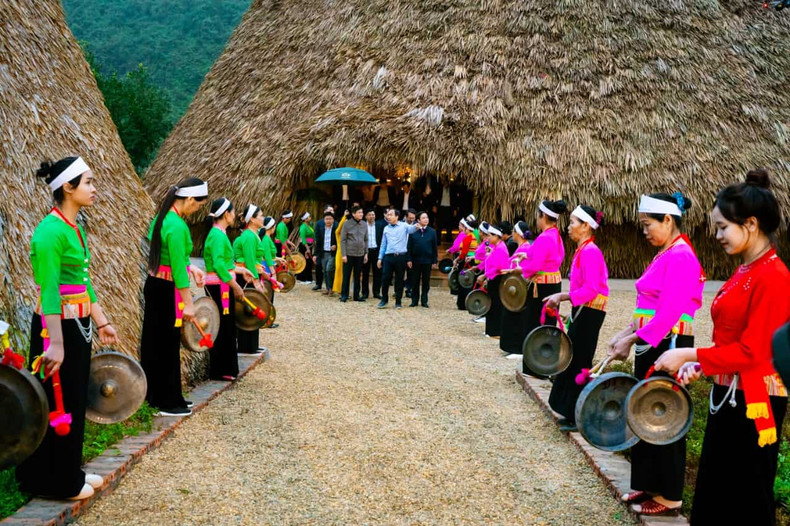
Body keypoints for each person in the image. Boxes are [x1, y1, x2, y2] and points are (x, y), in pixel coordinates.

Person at [653, 171, 790, 524]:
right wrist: (703, 366)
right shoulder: (745, 270)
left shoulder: (773, 277)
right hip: (729, 395)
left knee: (746, 494)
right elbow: (730, 342)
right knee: (717, 489)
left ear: (751, 223)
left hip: (757, 400)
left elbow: (754, 351)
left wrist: (690, 353)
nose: (716, 236)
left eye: (722, 227)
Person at [16, 156, 118, 500]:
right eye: (88, 182)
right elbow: (48, 291)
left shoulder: (73, 227)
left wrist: (101, 320)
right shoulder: (50, 231)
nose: (94, 188)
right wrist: (56, 344)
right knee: (54, 401)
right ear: (67, 187)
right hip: (54, 329)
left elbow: (83, 284)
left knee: (72, 399)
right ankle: (50, 480)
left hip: (78, 325)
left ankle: (66, 471)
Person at [608, 191, 703, 516]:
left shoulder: (681, 256)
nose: (644, 231)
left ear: (668, 220)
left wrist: (633, 339)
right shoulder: (665, 253)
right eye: (642, 225)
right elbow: (647, 306)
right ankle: (648, 484)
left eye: (649, 224)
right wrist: (626, 332)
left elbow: (669, 312)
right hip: (654, 340)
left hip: (669, 342)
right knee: (646, 410)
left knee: (666, 413)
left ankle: (670, 496)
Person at [140, 177, 208, 417]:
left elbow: (172, 258)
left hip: (155, 284)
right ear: (189, 199)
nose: (197, 209)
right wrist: (188, 303)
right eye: (197, 204)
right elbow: (178, 268)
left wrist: (193, 268)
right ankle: (166, 402)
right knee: (166, 344)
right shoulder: (178, 226)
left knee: (155, 342)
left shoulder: (162, 219)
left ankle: (162, 396)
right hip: (168, 290)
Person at [544, 205, 609, 431]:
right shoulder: (583, 250)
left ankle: (577, 414)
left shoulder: (590, 252)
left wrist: (563, 296)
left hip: (590, 312)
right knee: (574, 358)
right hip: (584, 310)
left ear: (586, 226)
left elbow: (591, 290)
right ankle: (569, 410)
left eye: (573, 222)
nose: (568, 226)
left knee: (580, 360)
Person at [505, 200, 566, 371]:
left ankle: (534, 367)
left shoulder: (545, 237)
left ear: (543, 216)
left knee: (535, 324)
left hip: (542, 287)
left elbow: (536, 266)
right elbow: (544, 256)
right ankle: (545, 363)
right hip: (553, 283)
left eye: (538, 216)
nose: (536, 220)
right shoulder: (555, 235)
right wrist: (526, 256)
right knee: (548, 324)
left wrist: (521, 270)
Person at [203, 198, 251, 380]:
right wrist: (235, 285)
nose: (234, 215)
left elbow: (226, 264)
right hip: (219, 286)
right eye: (232, 212)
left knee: (227, 326)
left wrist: (241, 270)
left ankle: (225, 368)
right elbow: (218, 265)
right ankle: (221, 369)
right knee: (223, 326)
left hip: (222, 284)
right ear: (225, 214)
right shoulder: (217, 235)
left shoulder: (220, 234)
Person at [233, 205, 268, 353]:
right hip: (245, 276)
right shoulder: (248, 236)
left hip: (250, 274)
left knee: (253, 308)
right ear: (252, 219)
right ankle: (246, 345)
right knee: (247, 310)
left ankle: (251, 345)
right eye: (260, 215)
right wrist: (256, 282)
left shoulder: (254, 234)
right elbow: (249, 260)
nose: (263, 217)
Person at [499, 221, 533, 359]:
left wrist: (509, 271)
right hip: (514, 285)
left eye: (514, 230)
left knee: (516, 318)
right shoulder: (521, 247)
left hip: (520, 288)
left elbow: (523, 271)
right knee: (510, 316)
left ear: (518, 234)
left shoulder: (525, 248)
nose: (511, 233)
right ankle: (511, 346)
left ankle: (517, 348)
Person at [377, 209, 418, 309]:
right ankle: (384, 300)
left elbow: (412, 229)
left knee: (399, 280)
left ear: (397, 216)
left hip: (400, 256)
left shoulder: (404, 226)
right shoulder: (386, 228)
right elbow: (383, 244)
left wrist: (417, 226)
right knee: (385, 278)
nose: (388, 216)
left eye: (391, 215)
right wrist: (380, 258)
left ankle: (398, 301)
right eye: (388, 215)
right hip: (388, 256)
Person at [477, 224, 508, 338]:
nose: (488, 238)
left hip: (497, 278)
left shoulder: (500, 248)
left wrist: (484, 276)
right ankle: (491, 330)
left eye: (490, 235)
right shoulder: (496, 247)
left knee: (496, 304)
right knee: (492, 304)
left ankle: (495, 331)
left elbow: (498, 268)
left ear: (496, 236)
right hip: (493, 277)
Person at [407, 211, 438, 308]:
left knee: (426, 281)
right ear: (418, 220)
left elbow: (434, 248)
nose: (426, 219)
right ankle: (414, 300)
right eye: (423, 218)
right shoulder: (413, 231)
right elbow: (409, 246)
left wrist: (434, 260)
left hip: (427, 260)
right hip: (415, 260)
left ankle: (424, 300)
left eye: (427, 217)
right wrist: (409, 259)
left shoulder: (432, 232)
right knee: (415, 281)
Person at [340, 205, 369, 302]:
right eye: (359, 212)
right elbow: (343, 240)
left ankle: (356, 296)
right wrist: (343, 254)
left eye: (362, 212)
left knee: (357, 276)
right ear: (353, 214)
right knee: (346, 275)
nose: (361, 214)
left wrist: (366, 253)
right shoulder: (347, 224)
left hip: (360, 254)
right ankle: (344, 295)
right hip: (349, 254)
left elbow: (366, 239)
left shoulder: (364, 224)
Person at [313, 211, 338, 294]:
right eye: (326, 219)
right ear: (324, 220)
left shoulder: (336, 228)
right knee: (325, 270)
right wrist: (315, 254)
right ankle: (328, 288)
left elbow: (341, 240)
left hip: (332, 253)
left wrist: (335, 246)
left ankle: (331, 287)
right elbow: (318, 242)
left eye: (330, 219)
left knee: (329, 269)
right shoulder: (321, 228)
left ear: (333, 220)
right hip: (323, 252)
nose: (328, 221)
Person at [361, 209, 383, 300]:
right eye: (369, 215)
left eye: (373, 214)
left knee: (377, 272)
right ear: (366, 216)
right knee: (365, 273)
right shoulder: (362, 225)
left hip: (376, 251)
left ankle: (376, 292)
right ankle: (365, 293)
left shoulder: (379, 225)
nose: (371, 216)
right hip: (365, 252)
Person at [296, 212, 314, 284]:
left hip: (310, 244)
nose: (310, 218)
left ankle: (309, 278)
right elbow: (303, 238)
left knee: (309, 261)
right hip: (305, 245)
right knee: (304, 261)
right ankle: (303, 278)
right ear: (305, 219)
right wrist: (307, 248)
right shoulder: (303, 227)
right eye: (309, 217)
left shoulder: (309, 225)